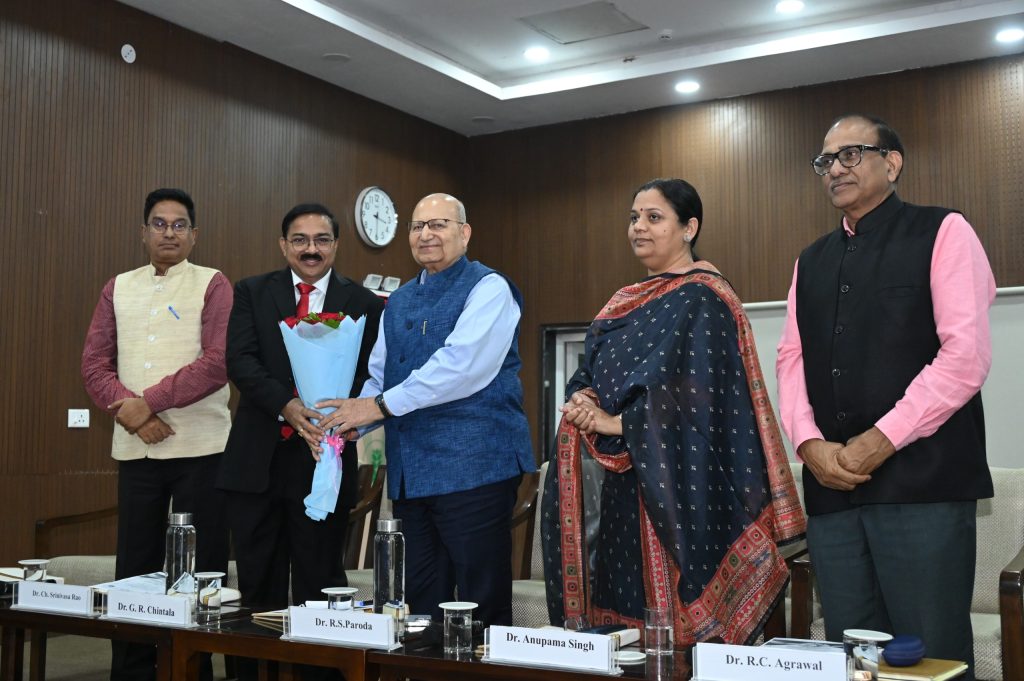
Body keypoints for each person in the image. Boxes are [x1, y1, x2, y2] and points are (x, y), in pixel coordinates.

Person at [541, 178, 806, 645]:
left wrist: (619, 423)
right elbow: (590, 372)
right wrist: (584, 401)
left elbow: (706, 401)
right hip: (619, 486)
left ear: (689, 228)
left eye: (654, 217)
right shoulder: (621, 302)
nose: (638, 227)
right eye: (634, 218)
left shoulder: (704, 298)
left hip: (680, 482)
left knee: (674, 640)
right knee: (620, 630)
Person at [777, 114, 995, 676]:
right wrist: (808, 444)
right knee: (852, 657)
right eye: (825, 161)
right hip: (832, 492)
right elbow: (791, 358)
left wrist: (881, 439)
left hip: (924, 487)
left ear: (892, 163)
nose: (835, 169)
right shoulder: (811, 259)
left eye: (850, 154)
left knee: (930, 655)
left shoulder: (943, 230)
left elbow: (965, 357)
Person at [314, 193, 535, 627]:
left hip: (476, 468)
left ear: (464, 233)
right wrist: (353, 419)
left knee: (481, 603)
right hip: (412, 474)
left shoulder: (490, 288)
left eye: (438, 224)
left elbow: (460, 367)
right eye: (417, 226)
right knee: (419, 603)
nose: (426, 234)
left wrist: (376, 407)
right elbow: (381, 373)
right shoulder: (397, 300)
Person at [82, 188, 231, 681]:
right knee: (133, 568)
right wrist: (138, 416)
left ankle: (192, 670)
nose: (169, 232)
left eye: (179, 224)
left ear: (194, 235)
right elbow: (94, 364)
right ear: (143, 232)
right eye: (159, 224)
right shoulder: (118, 287)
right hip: (136, 449)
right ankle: (131, 672)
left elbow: (217, 362)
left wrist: (150, 401)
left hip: (202, 449)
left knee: (199, 570)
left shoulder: (213, 283)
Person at [216, 203, 383, 625]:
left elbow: (371, 373)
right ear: (283, 245)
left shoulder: (364, 303)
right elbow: (240, 361)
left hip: (324, 456)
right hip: (257, 460)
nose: (311, 249)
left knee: (320, 583)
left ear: (336, 245)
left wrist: (338, 415)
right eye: (300, 240)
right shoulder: (252, 292)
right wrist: (287, 406)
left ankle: (318, 660)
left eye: (321, 240)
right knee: (257, 587)